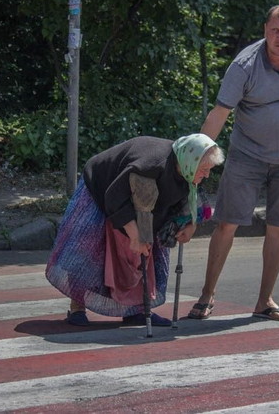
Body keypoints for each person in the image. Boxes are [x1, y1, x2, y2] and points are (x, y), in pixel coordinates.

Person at [189, 4, 279, 322]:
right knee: (227, 224)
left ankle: (264, 300)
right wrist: (196, 157)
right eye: (275, 31)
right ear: (265, 29)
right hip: (246, 156)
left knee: (278, 229)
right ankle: (206, 295)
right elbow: (219, 114)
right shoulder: (245, 65)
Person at [46, 133, 224, 326]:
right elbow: (114, 198)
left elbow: (184, 200)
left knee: (145, 251)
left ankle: (137, 310)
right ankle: (77, 307)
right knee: (89, 248)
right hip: (101, 186)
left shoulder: (188, 167)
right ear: (191, 161)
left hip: (141, 202)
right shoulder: (151, 165)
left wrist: (189, 225)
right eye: (204, 169)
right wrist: (134, 235)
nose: (207, 175)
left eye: (209, 170)